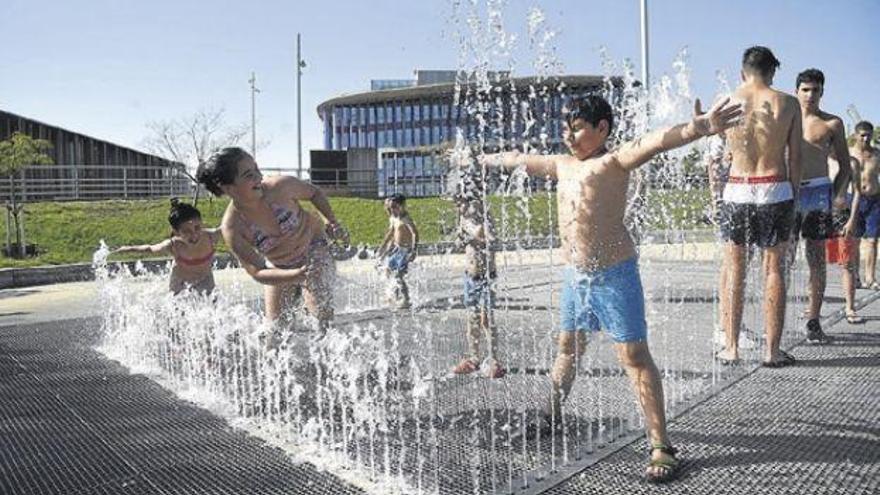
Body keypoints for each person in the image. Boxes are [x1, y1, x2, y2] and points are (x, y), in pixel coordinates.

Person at [478, 92, 742, 482]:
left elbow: (656, 140)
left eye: (578, 128)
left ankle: (661, 444)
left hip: (615, 275)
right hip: (575, 276)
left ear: (602, 128)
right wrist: (480, 160)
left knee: (634, 355)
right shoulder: (562, 164)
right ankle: (550, 412)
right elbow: (519, 160)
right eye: (565, 128)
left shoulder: (614, 160)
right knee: (568, 347)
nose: (568, 136)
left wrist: (699, 128)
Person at [196, 147, 347, 334]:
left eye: (257, 170)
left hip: (314, 247)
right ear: (227, 188)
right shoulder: (233, 227)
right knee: (275, 333)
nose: (259, 177)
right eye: (248, 175)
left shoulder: (280, 187)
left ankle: (327, 350)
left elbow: (314, 193)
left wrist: (330, 221)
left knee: (318, 312)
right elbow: (258, 271)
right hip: (280, 267)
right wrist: (295, 275)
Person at [715, 46, 801, 368]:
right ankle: (772, 352)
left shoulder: (725, 102)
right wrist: (792, 197)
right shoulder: (788, 103)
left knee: (734, 269)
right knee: (774, 270)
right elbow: (797, 157)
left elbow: (719, 149)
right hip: (774, 188)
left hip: (737, 189)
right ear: (772, 72)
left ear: (742, 72)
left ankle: (732, 347)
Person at [793, 68, 855, 339]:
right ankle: (777, 320)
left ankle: (814, 320)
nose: (810, 95)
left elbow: (845, 165)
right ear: (797, 91)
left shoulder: (833, 123)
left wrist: (838, 194)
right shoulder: (786, 119)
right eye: (805, 89)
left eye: (815, 90)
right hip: (789, 193)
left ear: (822, 92)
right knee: (781, 260)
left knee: (816, 259)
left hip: (818, 193)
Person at [113, 199, 221, 295]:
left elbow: (229, 226)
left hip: (205, 278)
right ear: (177, 232)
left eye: (197, 227)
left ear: (202, 223)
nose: (194, 235)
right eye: (186, 231)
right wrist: (126, 249)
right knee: (177, 311)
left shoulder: (211, 237)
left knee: (214, 307)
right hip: (180, 281)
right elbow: (150, 249)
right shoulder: (173, 245)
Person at [450, 191, 505, 378]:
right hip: (470, 276)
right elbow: (459, 243)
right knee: (472, 319)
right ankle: (474, 359)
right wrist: (461, 238)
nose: (458, 208)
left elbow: (492, 240)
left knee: (486, 319)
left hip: (486, 277)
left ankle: (494, 360)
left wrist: (473, 235)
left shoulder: (484, 218)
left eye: (460, 204)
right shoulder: (463, 220)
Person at [376, 194, 418, 309]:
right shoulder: (394, 218)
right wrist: (382, 248)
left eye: (394, 207)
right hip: (396, 250)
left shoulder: (406, 218)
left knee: (399, 275)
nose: (392, 210)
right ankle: (394, 296)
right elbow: (390, 234)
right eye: (390, 207)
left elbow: (415, 233)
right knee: (388, 272)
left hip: (405, 251)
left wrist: (413, 250)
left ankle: (406, 299)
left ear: (402, 205)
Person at [852, 122, 880, 289]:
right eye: (862, 135)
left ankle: (870, 277)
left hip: (874, 199)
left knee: (872, 240)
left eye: (869, 135)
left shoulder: (877, 154)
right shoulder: (849, 153)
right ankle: (855, 276)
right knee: (854, 240)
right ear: (856, 135)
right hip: (853, 199)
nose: (866, 138)